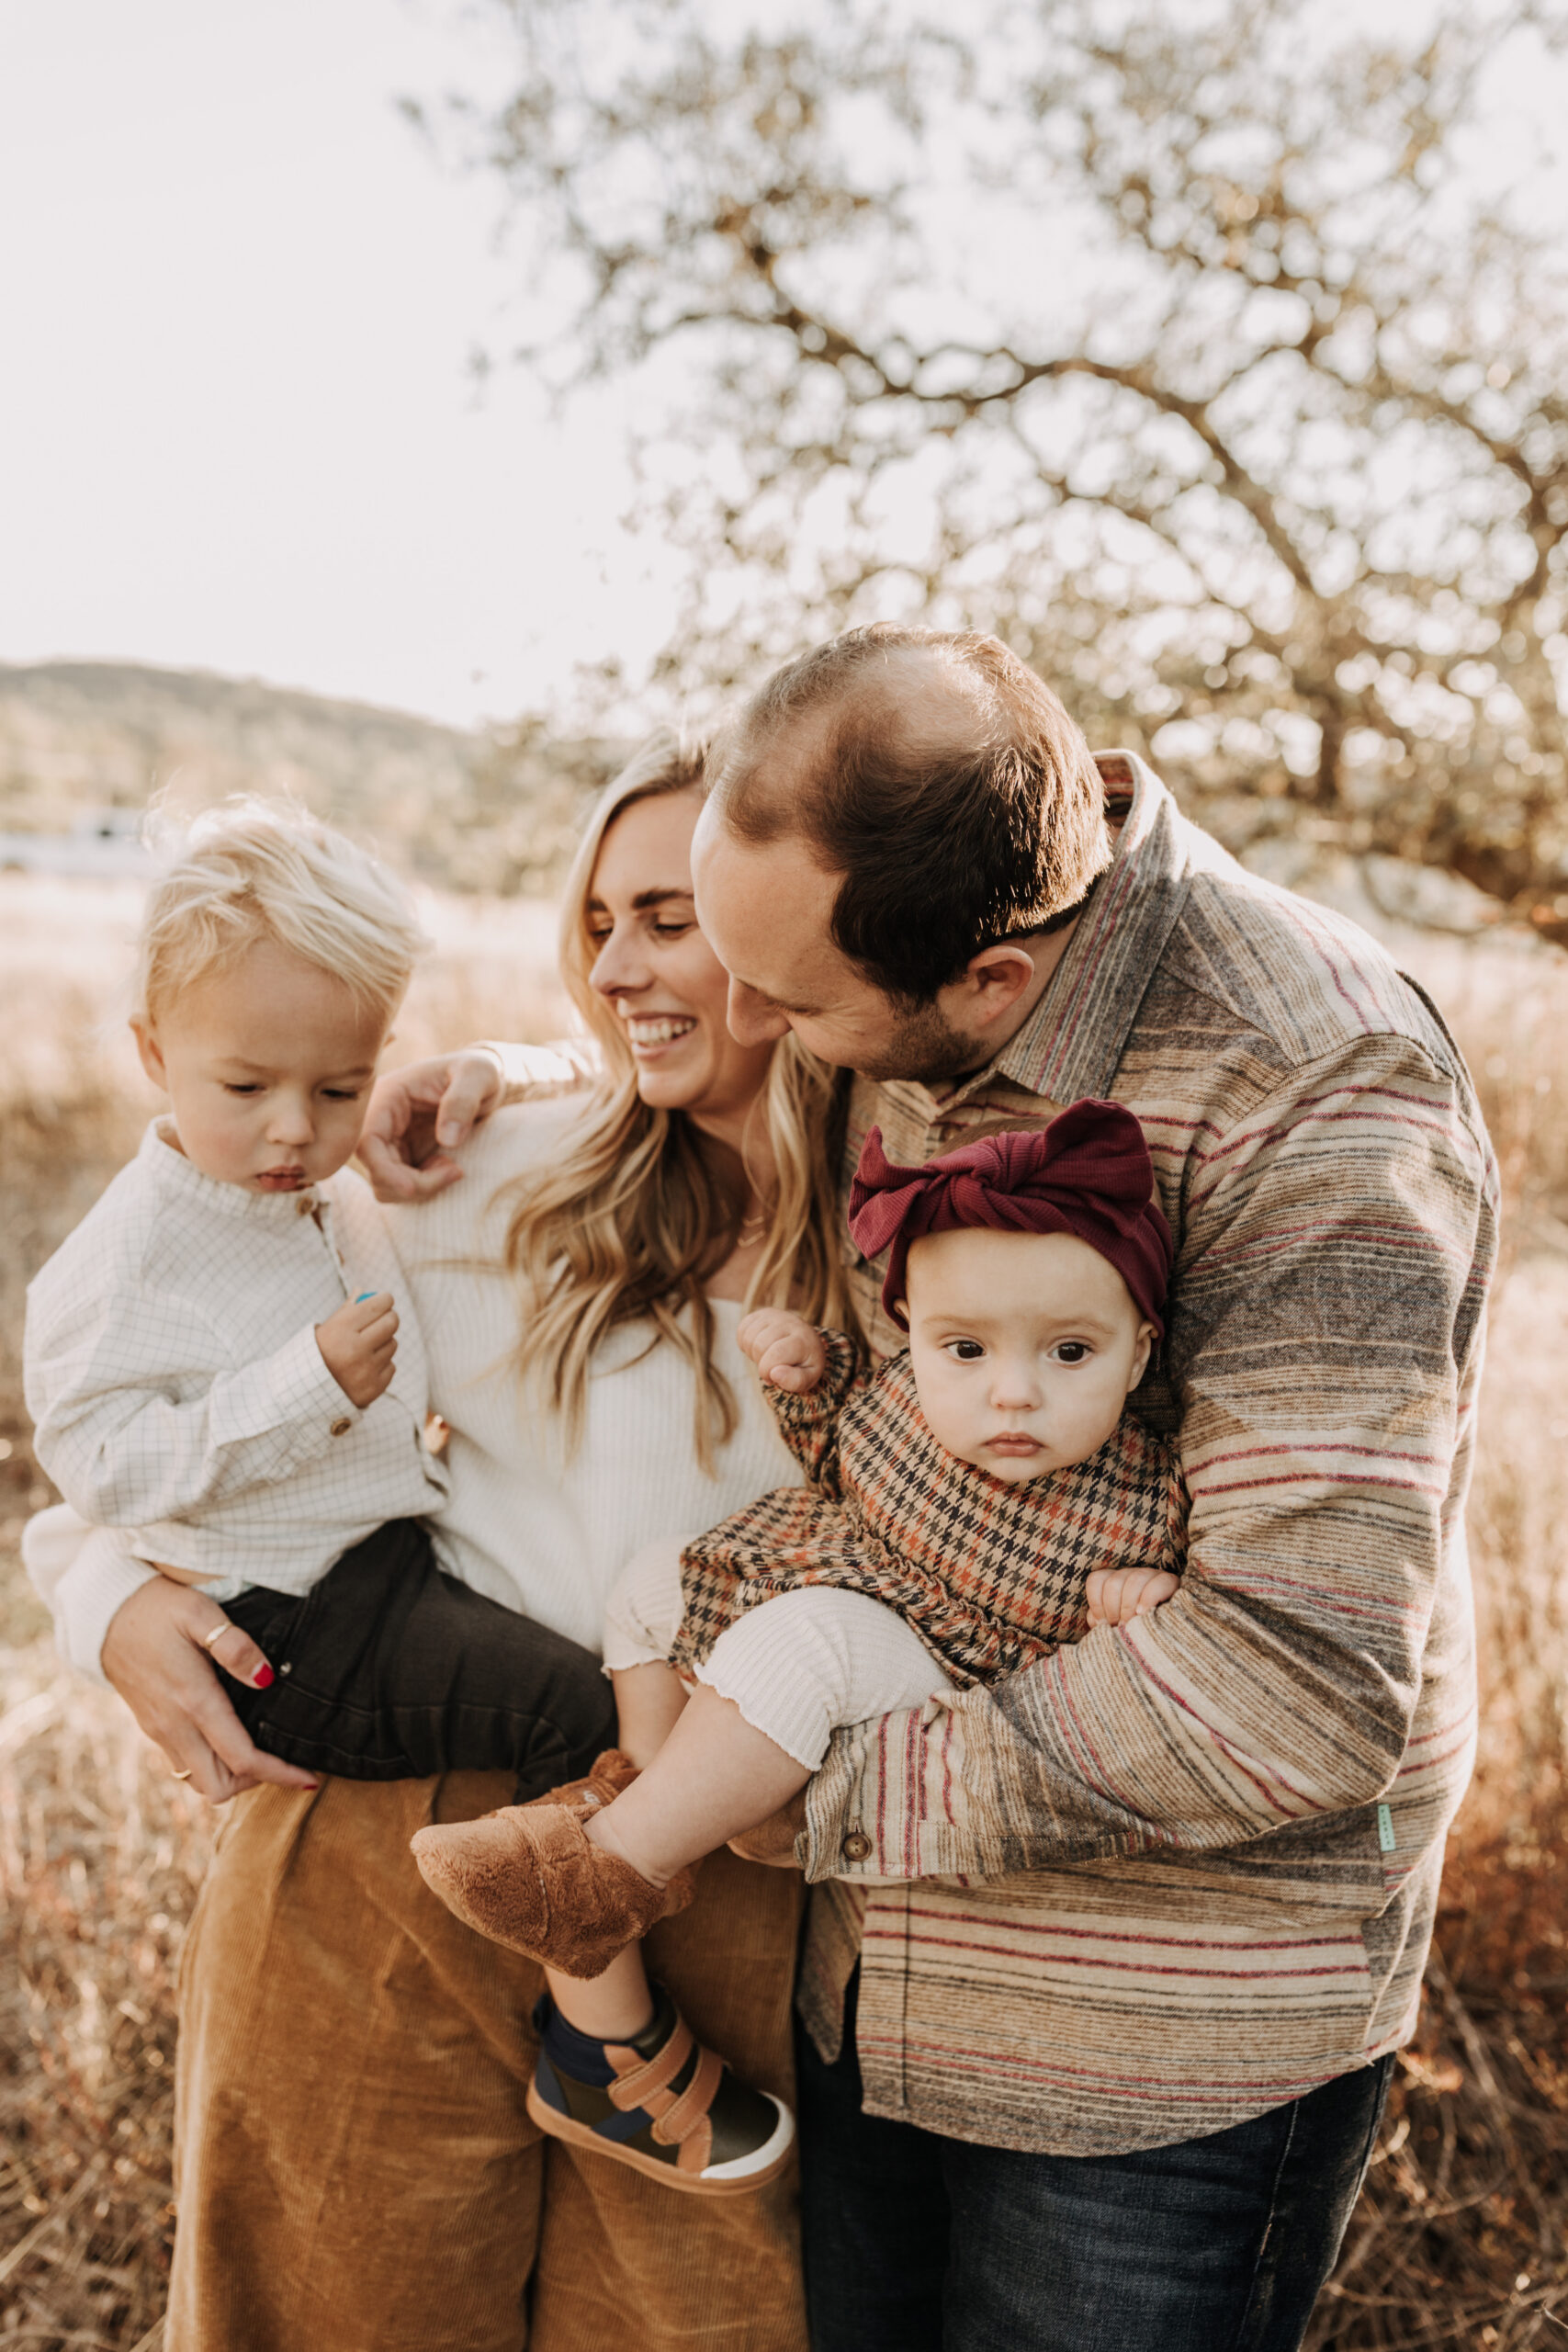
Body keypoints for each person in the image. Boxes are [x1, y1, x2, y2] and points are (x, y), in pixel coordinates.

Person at [409, 625, 1497, 2352]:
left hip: (1145, 2074)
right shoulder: (905, 927)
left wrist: (780, 1790)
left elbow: (1295, 1686)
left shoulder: (1318, 1090)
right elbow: (705, 1062)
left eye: (790, 1002)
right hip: (872, 1993)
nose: (755, 1029)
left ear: (989, 982)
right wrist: (506, 1077)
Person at [28, 734, 854, 2351]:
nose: (619, 964)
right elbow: (134, 1424)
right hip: (384, 1844)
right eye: (600, 918)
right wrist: (102, 1591)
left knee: (699, 2323)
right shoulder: (480, 1173)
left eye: (674, 914)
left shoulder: (928, 1249)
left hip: (706, 1856)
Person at [409, 1108, 1185, 2043]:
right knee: (655, 1582)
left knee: (804, 1642)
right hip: (840, 1585)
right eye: (966, 1350)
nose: (1011, 1391)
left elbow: (1158, 1635)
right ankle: (643, 1791)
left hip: (946, 1672)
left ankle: (603, 1874)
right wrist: (812, 1373)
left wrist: (1135, 1601)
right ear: (916, 1336)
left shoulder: (1141, 1491)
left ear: (1138, 1350)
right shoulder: (903, 1396)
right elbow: (842, 1452)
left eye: (1069, 1352)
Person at [25, 800, 615, 1799]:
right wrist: (307, 1383)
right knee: (572, 1713)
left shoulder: (335, 1193)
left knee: (589, 1691)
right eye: (247, 1088)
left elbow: (608, 1082)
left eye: (340, 1089)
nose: (295, 1130)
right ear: (156, 1055)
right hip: (284, 1621)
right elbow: (96, 1466)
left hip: (382, 1561)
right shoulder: (129, 1258)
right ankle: (580, 1945)